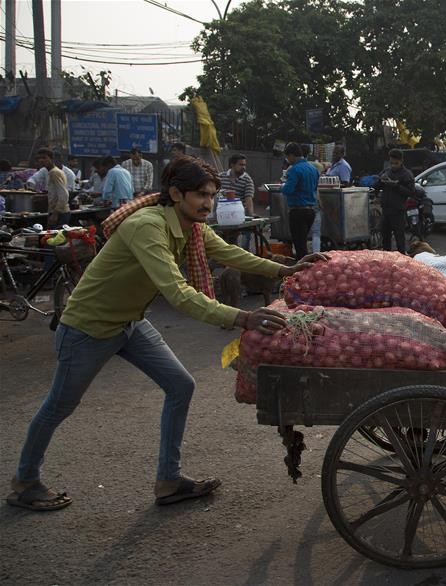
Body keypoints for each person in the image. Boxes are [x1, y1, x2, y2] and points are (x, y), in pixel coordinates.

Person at [6, 156, 328, 511]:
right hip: (88, 328)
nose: (208, 203)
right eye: (201, 195)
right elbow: (178, 293)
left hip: (130, 323)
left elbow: (230, 252)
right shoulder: (148, 226)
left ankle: (169, 480)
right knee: (59, 406)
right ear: (176, 194)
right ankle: (25, 482)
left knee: (180, 385)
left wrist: (286, 269)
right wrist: (243, 318)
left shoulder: (191, 225)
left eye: (212, 195)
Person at [282, 142, 319, 258]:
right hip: (311, 211)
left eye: (288, 157)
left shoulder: (294, 170)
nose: (287, 160)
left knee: (300, 247)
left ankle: (302, 272)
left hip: (298, 212)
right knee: (302, 243)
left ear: (292, 155)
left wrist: (282, 186)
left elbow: (288, 190)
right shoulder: (313, 169)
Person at [375, 149, 416, 252]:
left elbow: (411, 192)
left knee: (399, 239)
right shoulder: (386, 171)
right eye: (391, 163)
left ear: (401, 161)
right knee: (385, 239)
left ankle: (402, 260)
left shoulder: (406, 174)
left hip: (398, 211)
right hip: (385, 211)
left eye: (396, 163)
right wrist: (380, 181)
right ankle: (386, 262)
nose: (393, 165)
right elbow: (376, 185)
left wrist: (396, 186)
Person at [218, 154, 256, 250]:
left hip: (238, 214)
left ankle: (243, 254)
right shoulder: (220, 177)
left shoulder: (247, 180)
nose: (243, 167)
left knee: (241, 235)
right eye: (240, 165)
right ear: (232, 165)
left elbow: (249, 199)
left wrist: (250, 216)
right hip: (222, 213)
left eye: (244, 165)